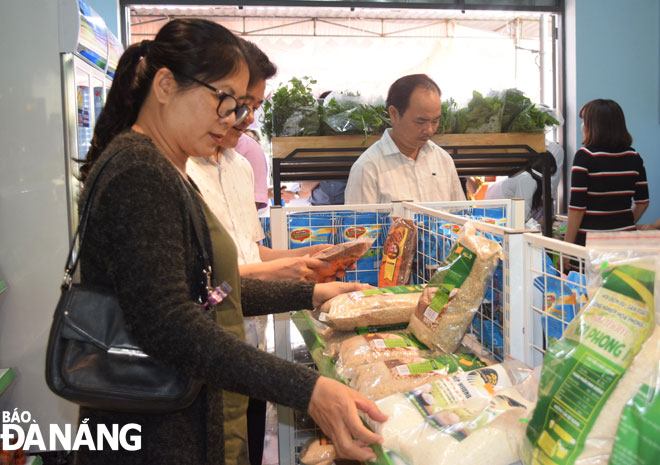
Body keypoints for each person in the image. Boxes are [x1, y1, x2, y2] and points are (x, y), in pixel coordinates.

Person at [74, 19, 385, 465]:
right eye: (224, 100)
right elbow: (170, 324)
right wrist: (307, 389)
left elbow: (209, 293)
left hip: (173, 418)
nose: (234, 119)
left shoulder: (165, 166)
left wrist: (310, 291)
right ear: (165, 85)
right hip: (153, 435)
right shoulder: (139, 172)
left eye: (240, 105)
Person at [187, 39, 334, 283]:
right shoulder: (180, 170)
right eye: (241, 104)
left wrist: (307, 255)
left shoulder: (240, 166)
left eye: (255, 106)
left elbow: (250, 254)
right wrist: (285, 273)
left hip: (250, 318)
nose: (248, 117)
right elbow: (196, 281)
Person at [344, 74, 465, 204]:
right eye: (420, 121)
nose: (429, 130)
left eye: (435, 121)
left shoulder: (443, 160)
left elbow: (459, 217)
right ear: (394, 114)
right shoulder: (368, 168)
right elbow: (359, 223)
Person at [565, 99, 649, 246]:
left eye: (584, 121)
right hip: (626, 243)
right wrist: (623, 225)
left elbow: (577, 209)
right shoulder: (634, 157)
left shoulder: (585, 156)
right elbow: (643, 202)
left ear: (594, 126)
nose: (582, 126)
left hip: (590, 245)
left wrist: (565, 248)